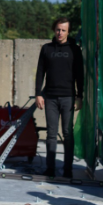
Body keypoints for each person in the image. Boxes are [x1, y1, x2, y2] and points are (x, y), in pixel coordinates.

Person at [35, 17, 83, 178]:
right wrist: (38, 94)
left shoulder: (75, 50)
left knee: (68, 133)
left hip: (68, 97)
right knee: (51, 133)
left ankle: (67, 170)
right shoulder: (46, 49)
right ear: (54, 30)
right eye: (57, 29)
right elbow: (40, 72)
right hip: (50, 97)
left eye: (63, 30)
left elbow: (80, 75)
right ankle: (50, 169)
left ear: (68, 32)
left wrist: (80, 96)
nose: (60, 33)